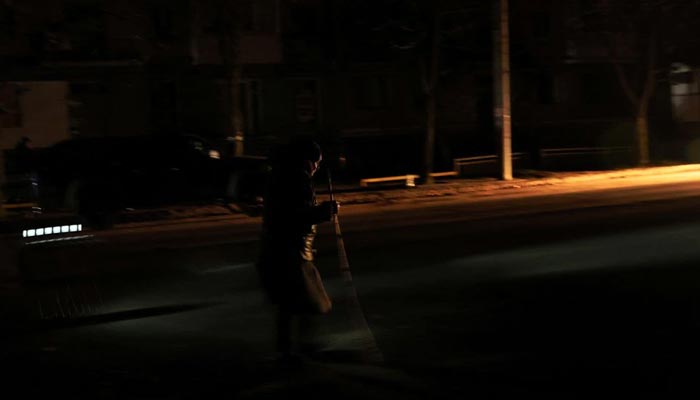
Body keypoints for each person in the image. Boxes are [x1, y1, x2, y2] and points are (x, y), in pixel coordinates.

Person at [256, 137, 339, 364]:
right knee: (309, 302)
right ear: (306, 160)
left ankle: (287, 350)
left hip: (280, 251)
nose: (317, 168)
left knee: (289, 304)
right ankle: (302, 349)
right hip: (293, 253)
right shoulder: (297, 179)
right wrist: (325, 211)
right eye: (316, 163)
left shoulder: (281, 175)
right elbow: (296, 216)